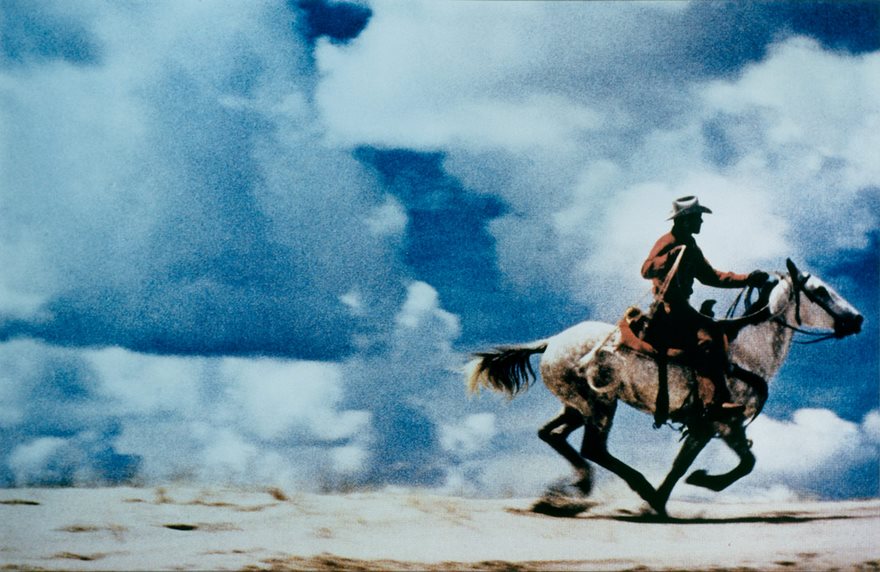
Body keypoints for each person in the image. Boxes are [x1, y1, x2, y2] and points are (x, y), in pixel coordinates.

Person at [641, 196, 768, 413]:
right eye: (698, 218)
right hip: (669, 310)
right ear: (685, 220)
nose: (701, 222)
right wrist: (668, 258)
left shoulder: (690, 245)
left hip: (682, 309)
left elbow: (711, 276)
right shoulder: (668, 242)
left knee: (717, 332)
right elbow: (646, 270)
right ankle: (712, 402)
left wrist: (747, 278)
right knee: (708, 339)